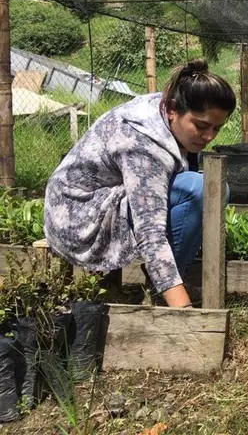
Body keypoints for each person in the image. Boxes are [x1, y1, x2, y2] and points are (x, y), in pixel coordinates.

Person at [44, 59, 237, 308]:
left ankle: (163, 283)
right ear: (172, 110)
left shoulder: (167, 110)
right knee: (199, 190)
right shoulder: (144, 144)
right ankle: (162, 292)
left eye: (217, 129)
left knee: (214, 189)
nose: (209, 136)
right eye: (201, 126)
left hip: (102, 199)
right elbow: (150, 232)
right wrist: (183, 312)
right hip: (76, 218)